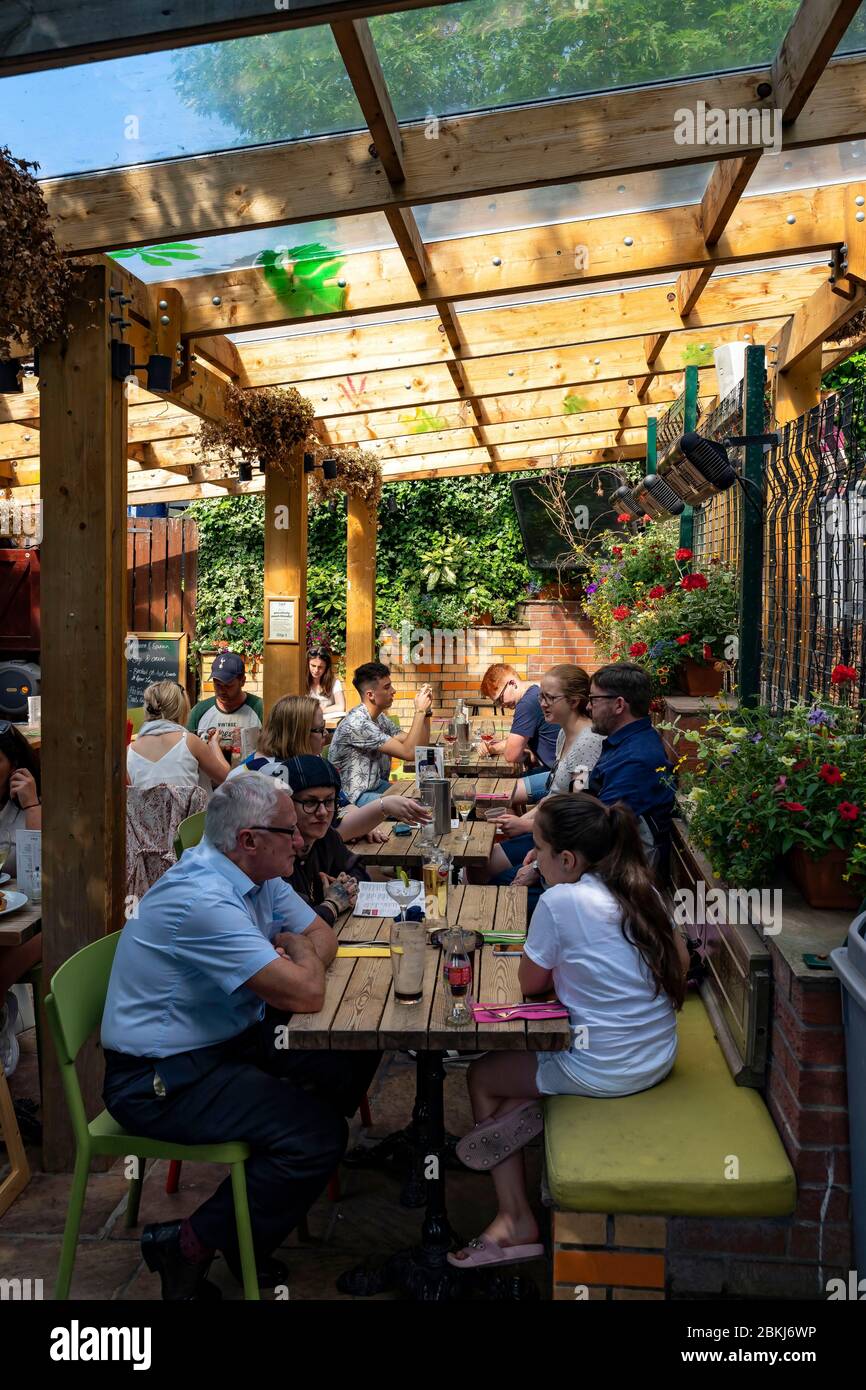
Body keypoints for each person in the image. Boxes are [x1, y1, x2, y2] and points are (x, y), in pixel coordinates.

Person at [101, 774, 380, 1299]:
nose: (302, 842)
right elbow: (304, 995)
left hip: (221, 1044)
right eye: (289, 831)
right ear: (249, 839)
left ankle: (252, 1218)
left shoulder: (257, 873)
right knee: (317, 1136)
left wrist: (298, 953)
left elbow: (320, 935)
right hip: (159, 1080)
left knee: (350, 1055)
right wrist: (299, 962)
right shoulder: (203, 898)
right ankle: (188, 1242)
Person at [448, 792, 689, 1270]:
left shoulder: (561, 900)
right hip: (658, 1054)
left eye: (537, 848)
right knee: (516, 1078)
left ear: (567, 858)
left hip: (608, 1067)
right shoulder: (642, 887)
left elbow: (530, 985)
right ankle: (516, 1121)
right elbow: (679, 962)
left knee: (482, 1076)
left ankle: (515, 1219)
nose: (533, 859)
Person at [471, 666, 603, 897]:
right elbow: (554, 796)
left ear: (573, 701)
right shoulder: (564, 733)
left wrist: (526, 827)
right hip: (548, 833)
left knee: (482, 868)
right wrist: (523, 821)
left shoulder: (587, 744)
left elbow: (575, 809)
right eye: (541, 696)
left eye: (550, 697)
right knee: (477, 864)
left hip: (565, 846)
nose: (541, 703)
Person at [228, 694, 430, 842]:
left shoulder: (306, 765)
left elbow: (343, 805)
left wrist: (361, 823)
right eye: (319, 729)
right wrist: (382, 807)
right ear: (297, 734)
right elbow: (326, 834)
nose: (325, 734)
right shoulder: (268, 775)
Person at [585, 663, 675, 873]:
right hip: (596, 860)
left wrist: (539, 865)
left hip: (612, 876)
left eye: (593, 699)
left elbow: (598, 828)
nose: (589, 707)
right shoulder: (629, 743)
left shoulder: (636, 760)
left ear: (618, 705)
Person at [327, 662, 433, 806]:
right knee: (416, 805)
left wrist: (426, 713)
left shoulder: (379, 718)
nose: (393, 691)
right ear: (370, 695)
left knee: (426, 797)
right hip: (352, 798)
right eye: (387, 687)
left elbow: (418, 747)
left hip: (375, 786)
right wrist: (419, 711)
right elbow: (409, 753)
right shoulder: (358, 724)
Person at [283, 755, 371, 926]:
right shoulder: (275, 852)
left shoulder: (325, 837)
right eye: (310, 802)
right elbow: (295, 924)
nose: (322, 812)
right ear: (284, 803)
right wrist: (332, 904)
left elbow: (357, 868)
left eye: (329, 801)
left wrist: (346, 885)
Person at [127, 682, 229, 791]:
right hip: (191, 809)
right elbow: (227, 778)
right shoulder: (190, 742)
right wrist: (214, 744)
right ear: (181, 710)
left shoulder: (129, 751)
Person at [478, 663, 560, 798]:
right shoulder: (533, 692)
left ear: (512, 683)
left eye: (500, 699)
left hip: (564, 777)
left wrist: (523, 751)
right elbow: (517, 742)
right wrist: (492, 748)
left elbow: (511, 755)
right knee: (509, 786)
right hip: (558, 769)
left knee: (502, 795)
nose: (502, 705)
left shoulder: (526, 705)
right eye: (497, 703)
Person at [187, 652, 264, 763]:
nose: (221, 690)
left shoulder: (260, 708)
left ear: (242, 681)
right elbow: (186, 753)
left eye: (228, 685)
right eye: (217, 684)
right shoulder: (199, 711)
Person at [307, 648, 345, 718]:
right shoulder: (301, 680)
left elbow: (341, 706)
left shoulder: (335, 682)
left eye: (320, 667)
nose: (316, 670)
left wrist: (321, 710)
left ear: (326, 667)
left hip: (327, 722)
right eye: (313, 665)